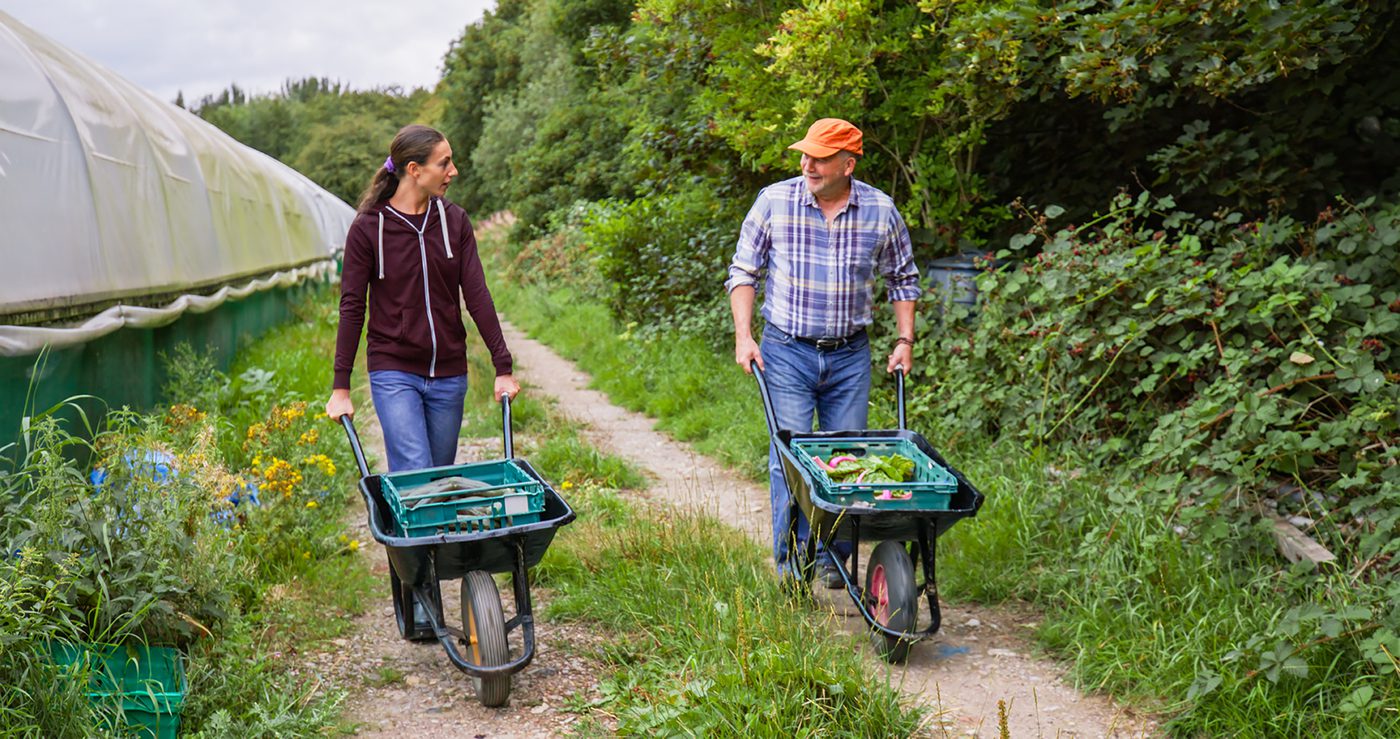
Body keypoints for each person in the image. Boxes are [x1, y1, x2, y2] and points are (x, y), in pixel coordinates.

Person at [726, 118, 921, 587]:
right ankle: (792, 564)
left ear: (847, 164)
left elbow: (903, 278)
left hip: (850, 355)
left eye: (820, 157)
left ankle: (835, 558)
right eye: (805, 155)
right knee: (790, 458)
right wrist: (743, 335)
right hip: (786, 350)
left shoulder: (880, 210)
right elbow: (743, 272)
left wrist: (904, 341)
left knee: (846, 458)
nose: (807, 164)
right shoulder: (775, 200)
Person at [325, 124, 519, 472]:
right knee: (416, 471)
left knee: (439, 479)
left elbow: (477, 295)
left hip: (449, 374)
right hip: (394, 371)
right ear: (414, 170)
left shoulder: (454, 221)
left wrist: (502, 367)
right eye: (444, 163)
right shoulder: (369, 228)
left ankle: (426, 527)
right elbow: (352, 307)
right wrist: (341, 388)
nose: (453, 171)